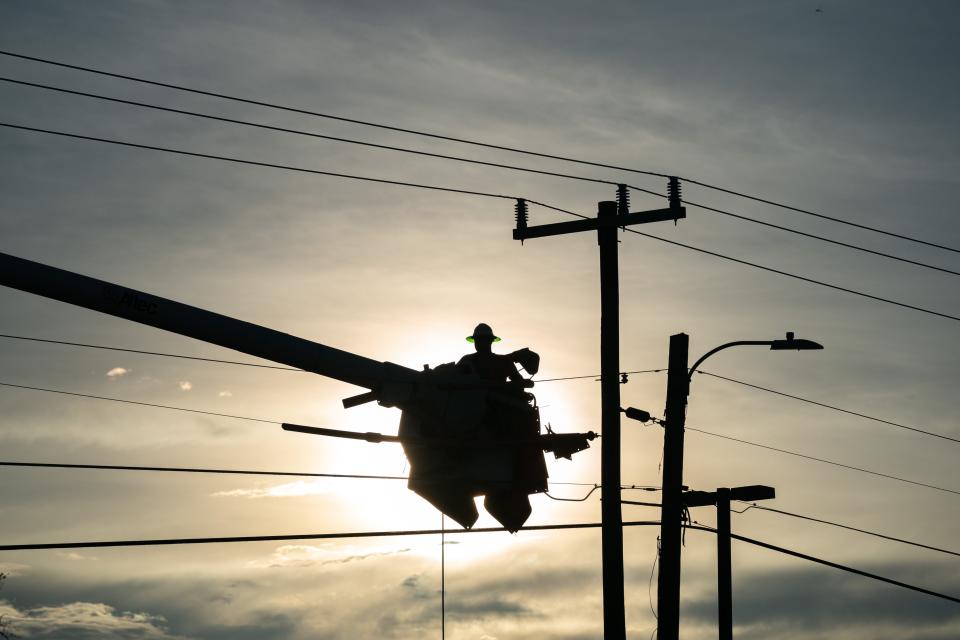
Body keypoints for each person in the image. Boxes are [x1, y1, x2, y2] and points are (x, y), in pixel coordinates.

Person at [457, 323, 525, 384]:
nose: (479, 343)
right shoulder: (466, 360)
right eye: (477, 340)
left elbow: (519, 382)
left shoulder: (504, 361)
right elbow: (453, 377)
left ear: (490, 341)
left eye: (482, 339)